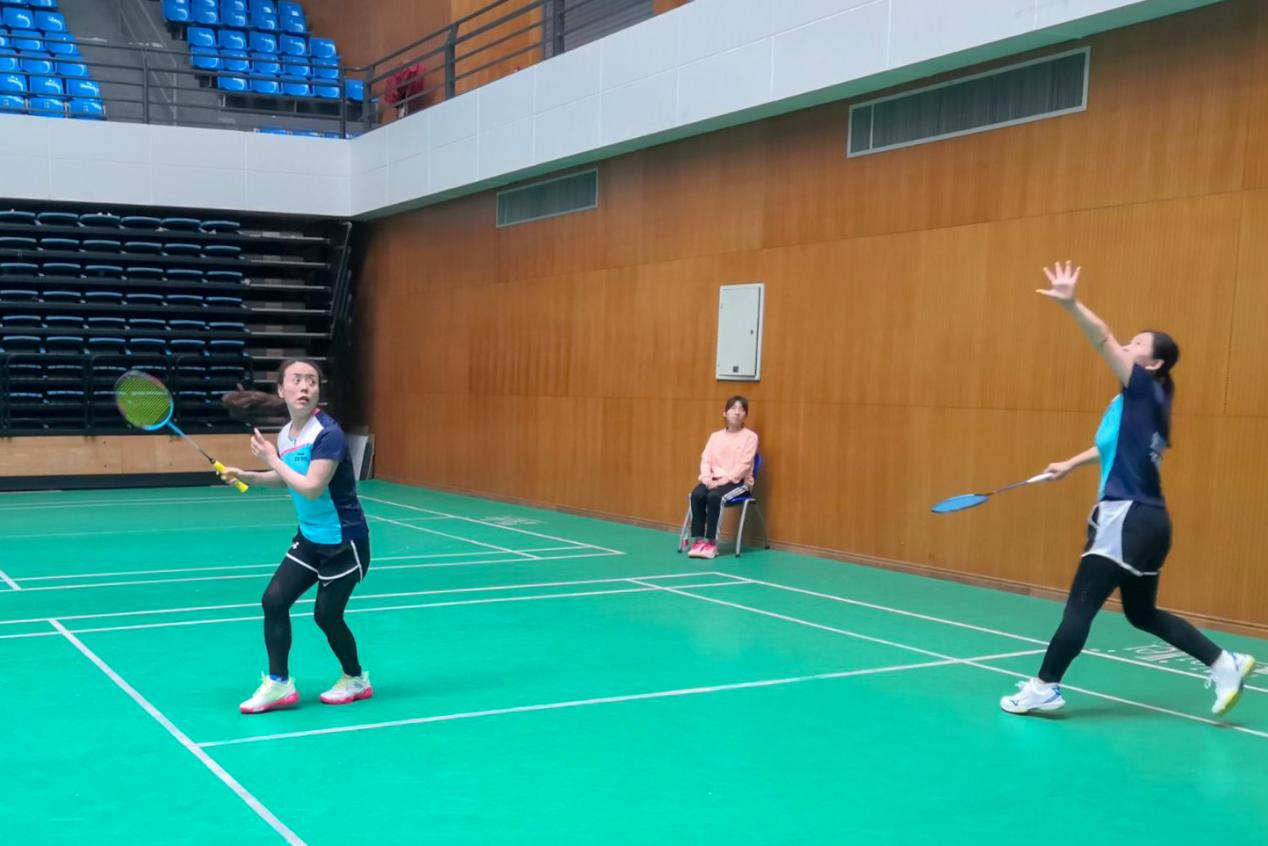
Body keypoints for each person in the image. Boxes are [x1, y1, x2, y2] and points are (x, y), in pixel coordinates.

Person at [1000, 261, 1254, 717]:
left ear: (1152, 363)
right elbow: (1114, 448)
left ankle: (1044, 686)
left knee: (1081, 604)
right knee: (1141, 613)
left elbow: (1101, 339)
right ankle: (1224, 663)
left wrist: (1072, 304)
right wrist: (1070, 464)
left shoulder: (1141, 390)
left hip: (1125, 516)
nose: (1125, 346)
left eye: (1136, 345)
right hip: (1151, 522)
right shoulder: (1144, 403)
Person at [220, 359, 374, 714]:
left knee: (326, 616)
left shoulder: (328, 434)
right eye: (297, 380)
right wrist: (249, 476)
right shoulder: (287, 433)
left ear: (318, 391)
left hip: (343, 543)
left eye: (312, 381)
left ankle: (356, 678)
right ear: (281, 389)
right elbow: (290, 476)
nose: (305, 386)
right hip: (310, 539)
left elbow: (311, 486)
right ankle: (279, 684)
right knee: (273, 602)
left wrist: (271, 459)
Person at [684, 396, 758, 560]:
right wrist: (706, 478)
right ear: (725, 413)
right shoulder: (715, 436)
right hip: (713, 479)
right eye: (733, 408)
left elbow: (744, 465)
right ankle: (698, 540)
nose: (737, 412)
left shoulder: (750, 437)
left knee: (715, 497)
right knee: (696, 495)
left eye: (741, 410)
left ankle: (712, 543)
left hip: (738, 482)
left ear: (745, 415)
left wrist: (723, 481)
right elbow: (706, 460)